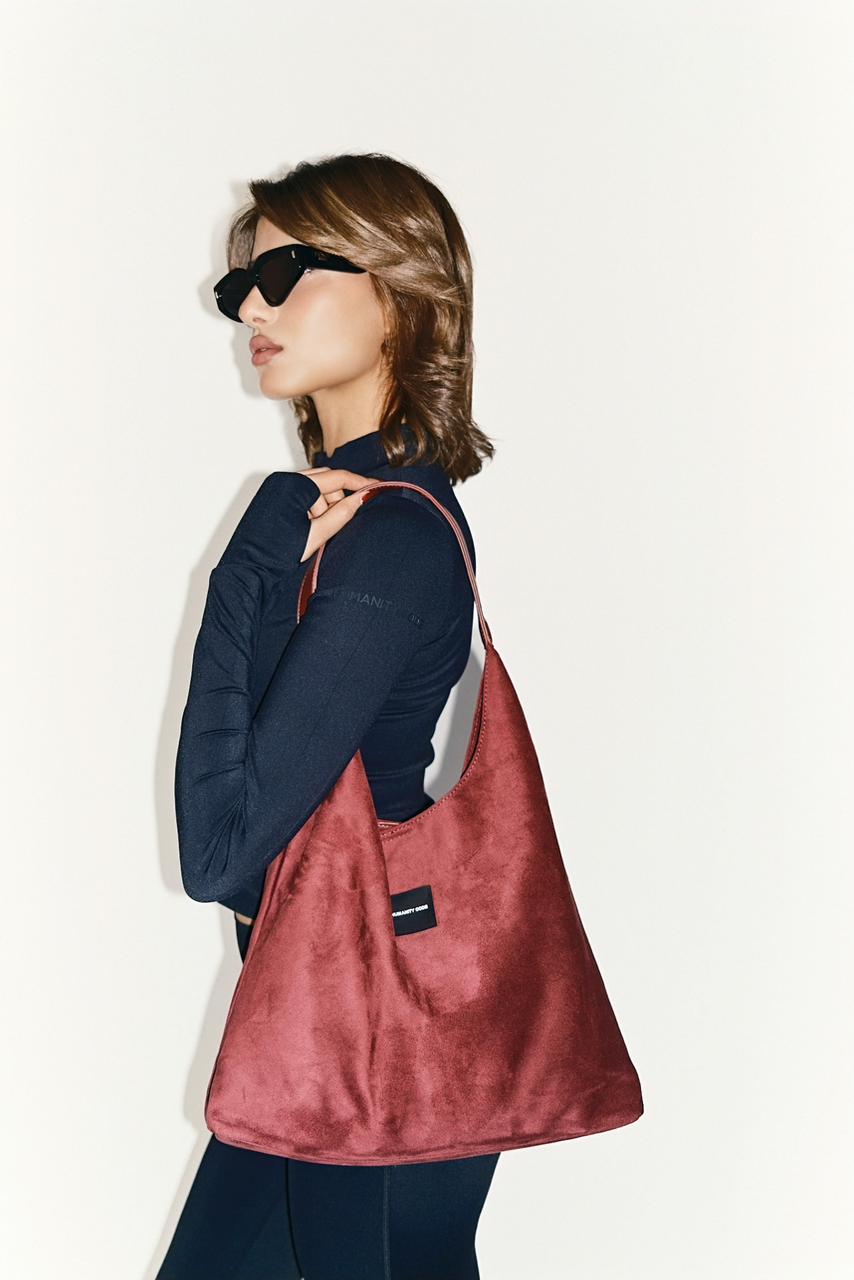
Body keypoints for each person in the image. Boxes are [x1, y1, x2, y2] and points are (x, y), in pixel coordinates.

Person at [157, 153, 499, 1280]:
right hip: (323, 1032)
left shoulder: (388, 538)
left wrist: (239, 575)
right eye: (239, 287)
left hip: (366, 1048)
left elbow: (220, 851)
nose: (249, 310)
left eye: (285, 275)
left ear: (399, 289)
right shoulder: (344, 522)